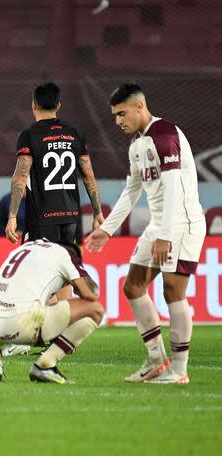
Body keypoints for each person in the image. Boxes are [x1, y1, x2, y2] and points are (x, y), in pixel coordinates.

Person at [85, 83, 206, 384]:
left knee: (172, 291)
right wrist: (107, 230)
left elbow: (174, 188)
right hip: (160, 224)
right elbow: (132, 191)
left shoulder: (164, 136)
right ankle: (156, 360)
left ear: (140, 106)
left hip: (182, 223)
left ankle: (179, 369)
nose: (117, 121)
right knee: (133, 287)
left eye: (121, 113)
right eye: (114, 115)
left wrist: (165, 235)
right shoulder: (138, 144)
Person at [0, 240, 104, 384]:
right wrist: (73, 280)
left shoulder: (25, 249)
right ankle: (46, 365)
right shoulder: (66, 254)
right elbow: (91, 294)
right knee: (95, 309)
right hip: (23, 325)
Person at [6, 82, 103, 245]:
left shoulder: (29, 135)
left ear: (33, 105)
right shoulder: (75, 133)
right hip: (70, 218)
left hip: (41, 218)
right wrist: (97, 212)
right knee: (63, 266)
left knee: (37, 267)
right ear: (58, 106)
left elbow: (21, 177)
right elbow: (89, 176)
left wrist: (12, 217)